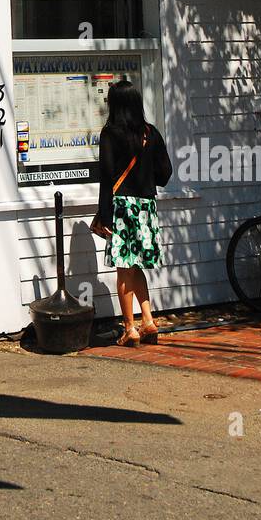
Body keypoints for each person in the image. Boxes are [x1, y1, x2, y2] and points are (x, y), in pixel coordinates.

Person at [97, 80, 173, 347]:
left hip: (121, 207)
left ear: (114, 104)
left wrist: (103, 214)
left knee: (123, 269)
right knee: (137, 265)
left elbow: (106, 176)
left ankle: (130, 327)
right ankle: (148, 320)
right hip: (145, 207)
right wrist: (145, 175)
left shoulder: (110, 133)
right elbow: (166, 174)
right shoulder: (150, 133)